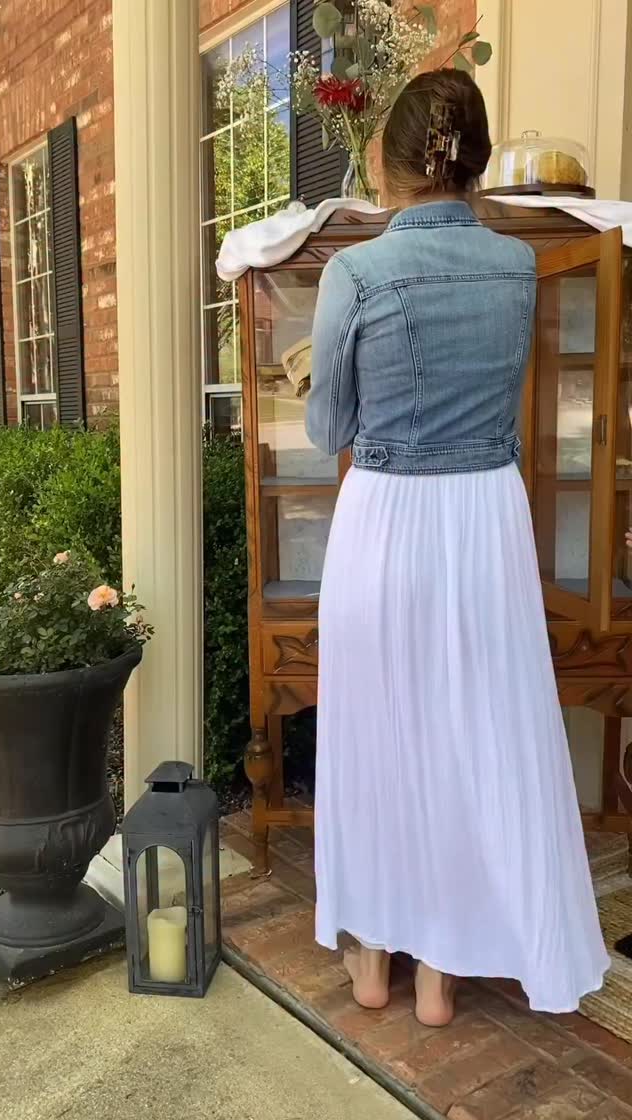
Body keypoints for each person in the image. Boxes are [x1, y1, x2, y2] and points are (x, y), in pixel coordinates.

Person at [305, 68, 609, 1026]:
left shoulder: (355, 270)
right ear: (470, 164)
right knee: (466, 735)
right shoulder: (518, 265)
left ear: (386, 168)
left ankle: (373, 963)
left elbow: (326, 429)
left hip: (387, 518)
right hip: (484, 518)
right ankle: (442, 972)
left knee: (379, 737)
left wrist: (318, 368)